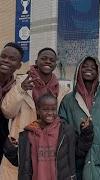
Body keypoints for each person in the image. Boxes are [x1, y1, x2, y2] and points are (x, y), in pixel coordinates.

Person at [0, 47, 69, 179]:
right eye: (44, 58)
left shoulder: (62, 90)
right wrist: (21, 90)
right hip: (20, 145)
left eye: (51, 60)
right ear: (36, 61)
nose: (47, 62)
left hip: (47, 148)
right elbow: (7, 111)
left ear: (55, 64)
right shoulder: (20, 82)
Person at [59, 56, 100, 180]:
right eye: (85, 66)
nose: (89, 69)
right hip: (76, 156)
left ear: (98, 72)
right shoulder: (68, 100)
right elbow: (62, 123)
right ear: (78, 69)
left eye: (93, 67)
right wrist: (75, 141)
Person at [18, 93, 93, 180]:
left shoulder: (66, 131)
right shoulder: (29, 134)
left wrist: (87, 132)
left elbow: (79, 151)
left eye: (53, 109)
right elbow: (23, 164)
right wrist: (10, 147)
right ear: (38, 110)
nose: (50, 113)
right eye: (45, 109)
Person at [0, 42, 23, 164]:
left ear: (19, 65)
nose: (6, 61)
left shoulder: (17, 88)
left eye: (12, 59)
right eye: (3, 56)